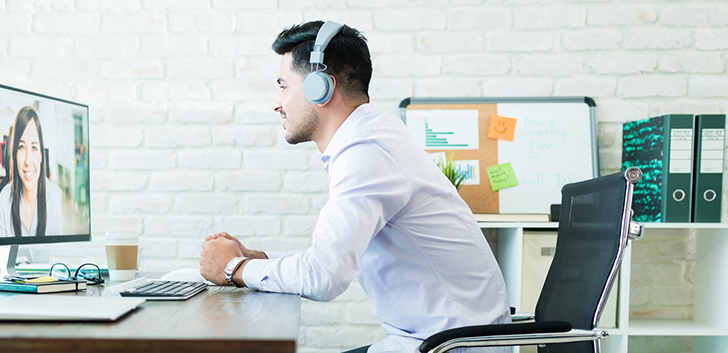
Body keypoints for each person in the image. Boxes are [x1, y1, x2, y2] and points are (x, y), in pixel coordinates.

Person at [198, 21, 511, 353]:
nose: (276, 103)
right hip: (433, 341)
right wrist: (256, 258)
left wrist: (234, 269)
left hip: (446, 347)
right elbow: (328, 259)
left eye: (284, 86)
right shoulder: (372, 138)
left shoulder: (367, 152)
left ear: (320, 87)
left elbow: (323, 277)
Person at [0, 106, 64, 237]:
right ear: (14, 155)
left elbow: (56, 252)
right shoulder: (5, 199)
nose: (28, 161)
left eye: (34, 147)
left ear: (41, 155)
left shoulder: (53, 197)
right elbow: (1, 253)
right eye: (21, 147)